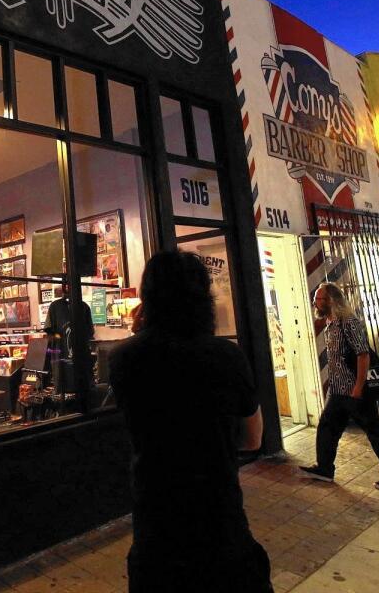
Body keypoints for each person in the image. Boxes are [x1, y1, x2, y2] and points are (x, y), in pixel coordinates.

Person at [109, 251, 269, 593]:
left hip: (156, 521)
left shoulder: (123, 359)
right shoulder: (227, 356)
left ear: (146, 296)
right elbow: (253, 439)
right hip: (218, 518)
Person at [299, 282, 379, 490]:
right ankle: (324, 468)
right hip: (339, 391)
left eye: (318, 298)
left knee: (374, 430)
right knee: (327, 427)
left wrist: (358, 387)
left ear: (330, 301)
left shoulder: (348, 322)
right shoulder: (331, 324)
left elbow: (362, 354)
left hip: (355, 391)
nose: (314, 302)